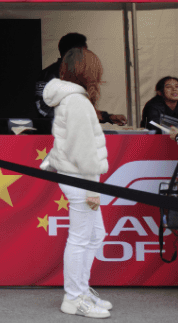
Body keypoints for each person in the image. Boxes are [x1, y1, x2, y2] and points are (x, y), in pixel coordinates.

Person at [41, 48, 112, 319]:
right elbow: (83, 149)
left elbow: (67, 139)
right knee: (82, 239)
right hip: (82, 179)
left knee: (94, 235)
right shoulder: (78, 101)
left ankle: (80, 291)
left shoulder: (70, 98)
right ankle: (73, 298)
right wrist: (93, 189)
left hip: (75, 177)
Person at [36, 33, 126, 126]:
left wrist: (108, 117)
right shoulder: (50, 75)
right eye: (83, 52)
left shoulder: (79, 75)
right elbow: (43, 109)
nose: (85, 56)